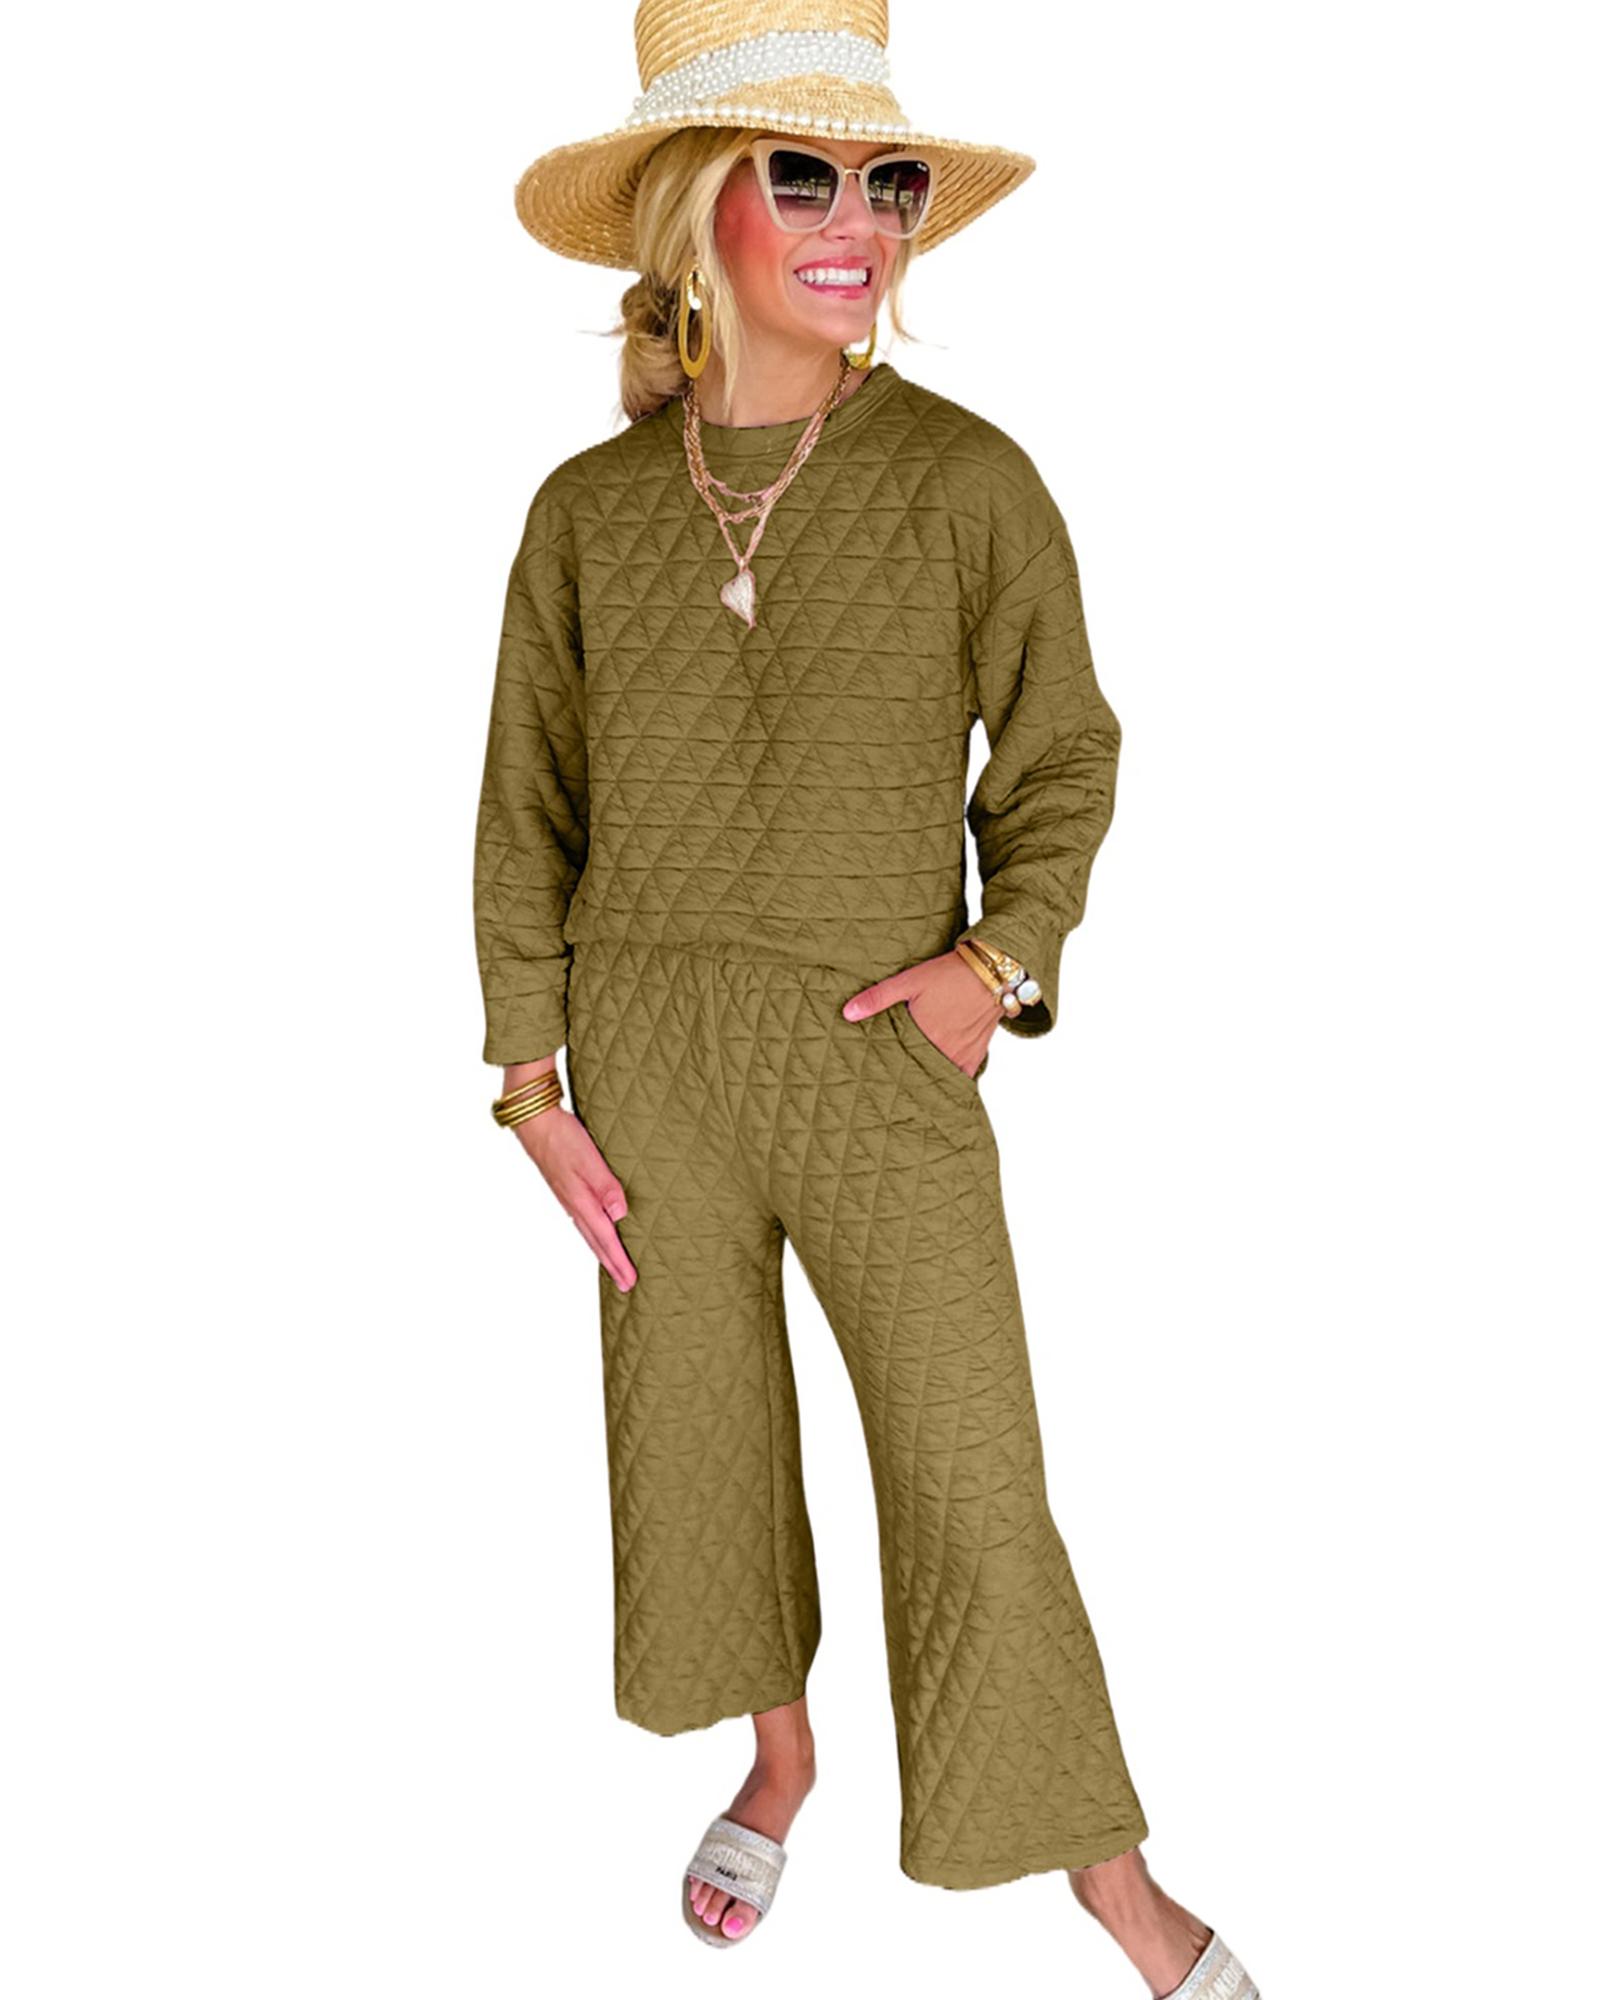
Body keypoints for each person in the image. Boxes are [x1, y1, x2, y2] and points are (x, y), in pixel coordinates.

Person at [473, 6, 1258, 1996]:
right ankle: (779, 1756)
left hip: (872, 1056)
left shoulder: (965, 479)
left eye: (886, 183)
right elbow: (525, 806)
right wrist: (530, 1082)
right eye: (803, 176)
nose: (859, 223)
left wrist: (996, 967)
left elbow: (1062, 755)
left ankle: (1111, 1887)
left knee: (969, 1473)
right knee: (695, 1434)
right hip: (644, 1058)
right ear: (693, 210)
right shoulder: (585, 511)